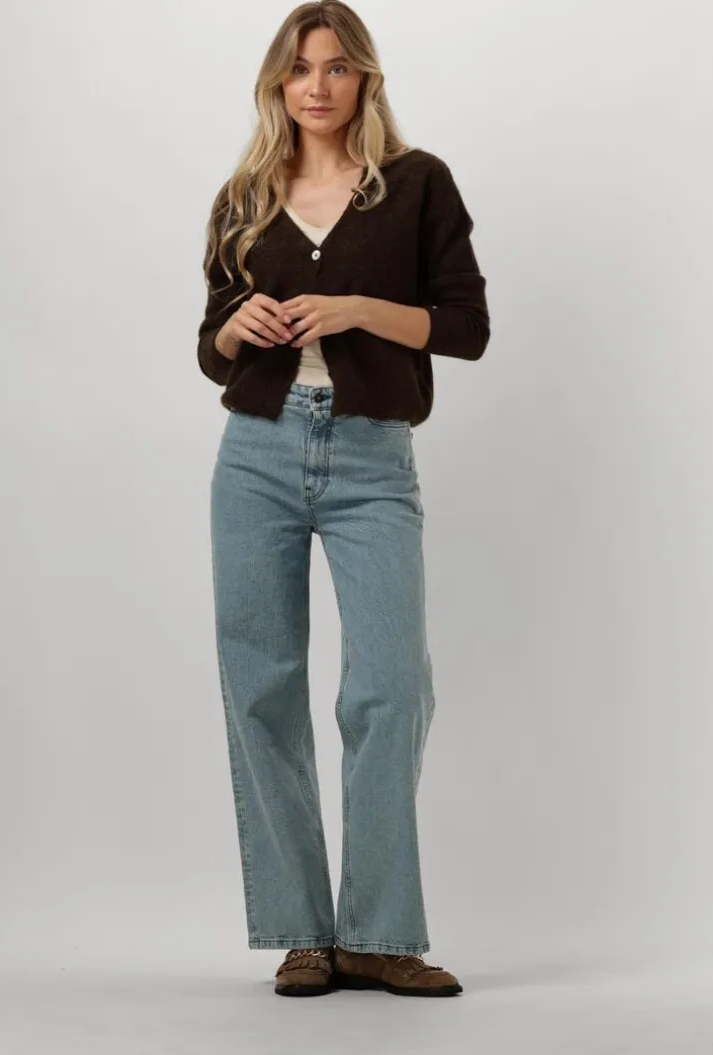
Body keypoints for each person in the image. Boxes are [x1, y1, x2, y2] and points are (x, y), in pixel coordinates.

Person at [197, 0, 490, 998]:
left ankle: (377, 932)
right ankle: (301, 932)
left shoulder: (416, 183)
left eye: (335, 67)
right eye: (298, 69)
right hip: (256, 454)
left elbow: (466, 325)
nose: (315, 86)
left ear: (365, 77)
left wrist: (360, 308)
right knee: (262, 683)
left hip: (372, 459)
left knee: (391, 687)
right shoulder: (244, 194)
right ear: (276, 84)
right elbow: (211, 348)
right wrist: (237, 325)